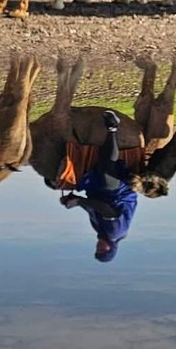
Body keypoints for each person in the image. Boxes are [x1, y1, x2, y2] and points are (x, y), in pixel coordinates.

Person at [59, 110, 138, 262]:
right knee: (106, 170)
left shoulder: (99, 230)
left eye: (98, 249)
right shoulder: (114, 233)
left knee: (57, 180)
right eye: (103, 250)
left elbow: (91, 208)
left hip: (97, 192)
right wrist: (79, 201)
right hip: (117, 194)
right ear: (112, 248)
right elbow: (105, 209)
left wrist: (73, 200)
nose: (99, 247)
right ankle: (112, 128)